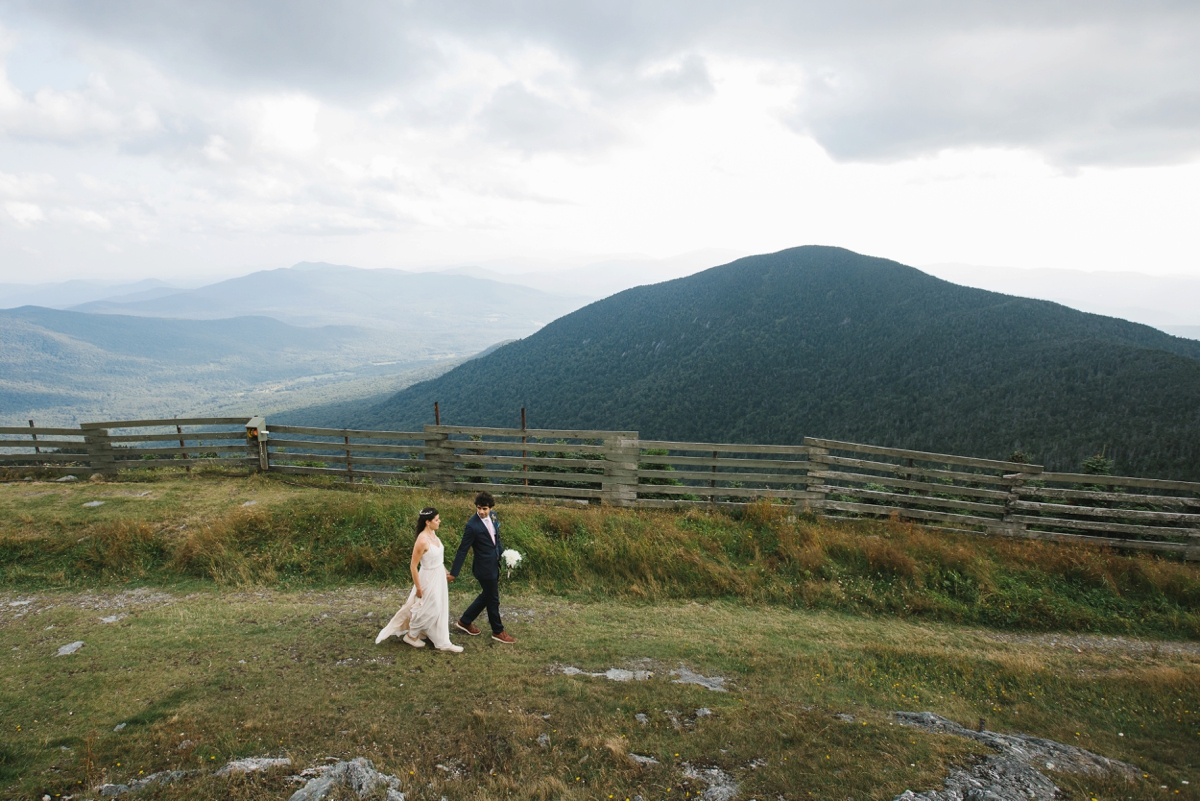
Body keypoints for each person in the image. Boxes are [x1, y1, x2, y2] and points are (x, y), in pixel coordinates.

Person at [375, 506, 462, 652]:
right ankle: (411, 635)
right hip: (427, 578)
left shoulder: (434, 535)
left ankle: (441, 640)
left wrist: (446, 572)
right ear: (428, 522)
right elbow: (413, 566)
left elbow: (438, 559)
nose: (439, 521)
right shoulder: (422, 540)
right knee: (429, 609)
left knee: (440, 607)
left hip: (439, 576)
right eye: (436, 519)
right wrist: (419, 588)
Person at [449, 491, 515, 643]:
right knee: (493, 599)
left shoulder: (493, 516)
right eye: (479, 508)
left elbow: (496, 540)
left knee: (487, 595)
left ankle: (465, 621)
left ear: (491, 508)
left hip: (494, 564)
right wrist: (454, 573)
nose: (481, 512)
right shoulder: (472, 526)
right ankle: (498, 631)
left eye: (484, 508)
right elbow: (462, 550)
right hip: (483, 568)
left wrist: (505, 557)